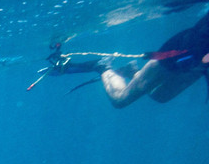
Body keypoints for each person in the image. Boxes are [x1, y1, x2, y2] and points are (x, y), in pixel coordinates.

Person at [49, 12, 209, 107]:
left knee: (161, 96)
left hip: (196, 62)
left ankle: (133, 73)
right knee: (120, 99)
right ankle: (102, 66)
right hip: (179, 54)